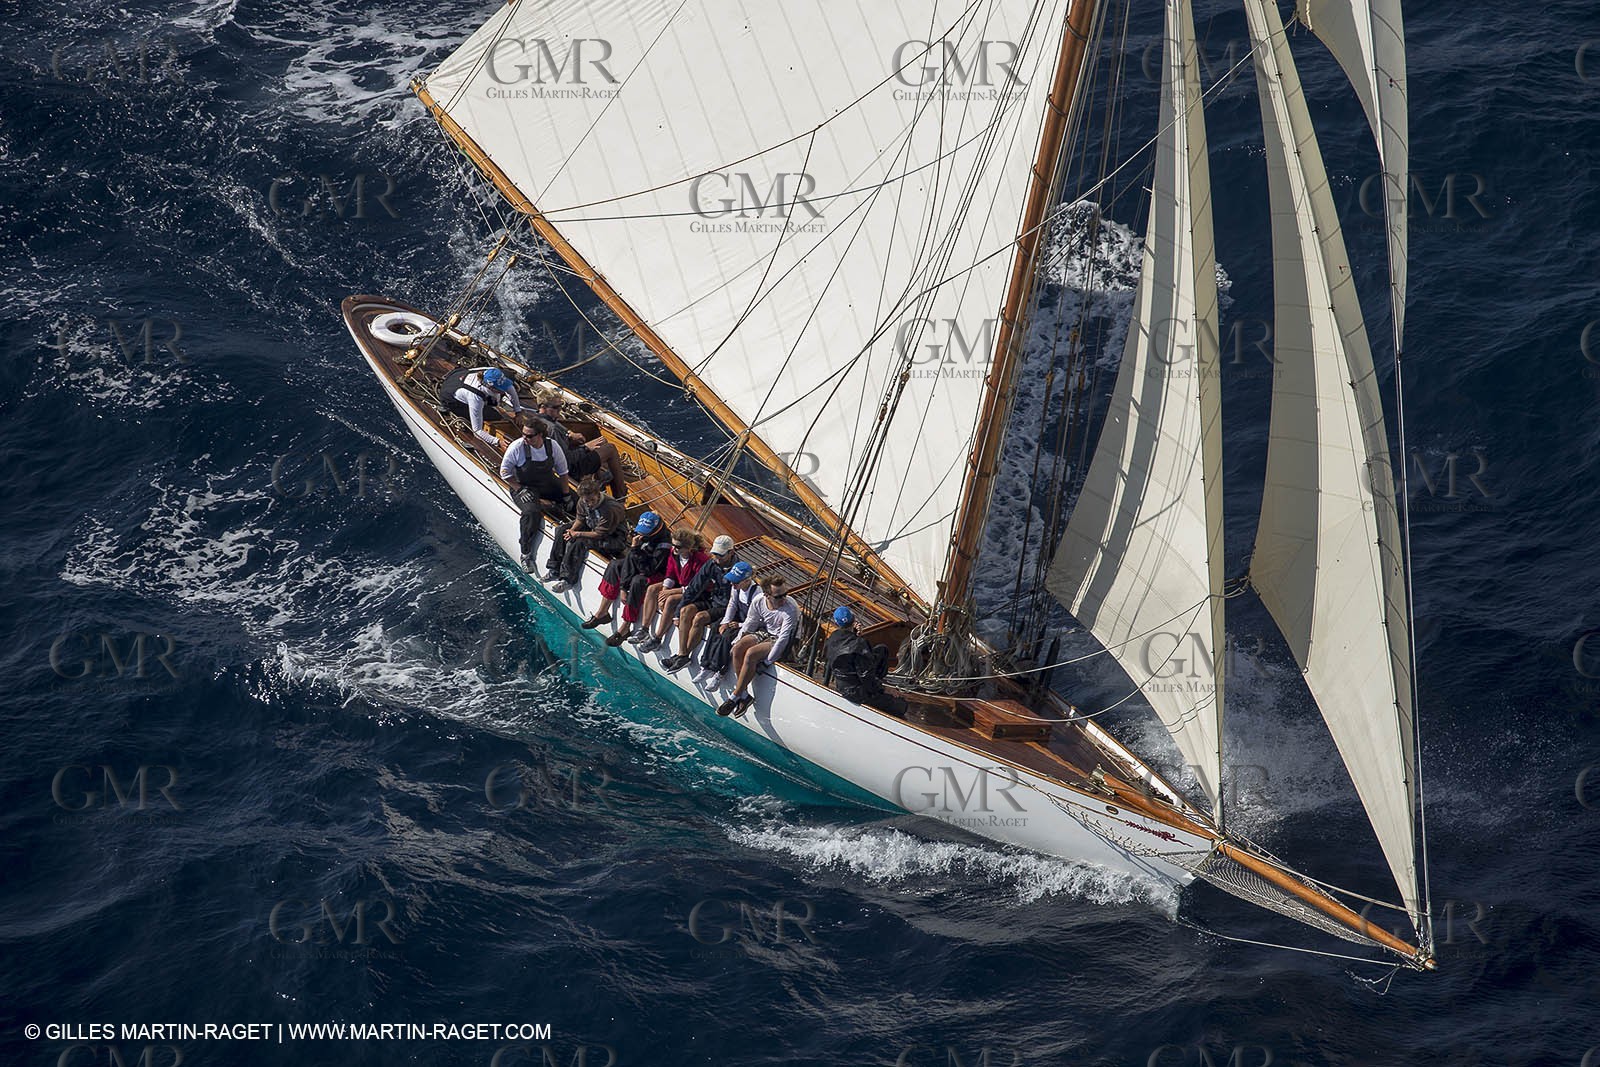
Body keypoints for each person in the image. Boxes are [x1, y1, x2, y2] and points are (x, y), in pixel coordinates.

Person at [582, 510, 671, 646]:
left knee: (638, 581)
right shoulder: (642, 536)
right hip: (643, 561)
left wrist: (636, 549)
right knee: (615, 565)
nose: (640, 535)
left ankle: (626, 626)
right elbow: (630, 559)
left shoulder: (664, 545)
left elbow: (648, 570)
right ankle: (602, 612)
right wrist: (623, 587)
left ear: (655, 530)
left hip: (656, 572)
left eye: (644, 533)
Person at [718, 575, 801, 717]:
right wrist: (737, 641)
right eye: (778, 596)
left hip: (782, 640)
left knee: (751, 654)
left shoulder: (790, 609)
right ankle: (744, 695)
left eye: (785, 595)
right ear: (767, 595)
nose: (783, 599)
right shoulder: (758, 601)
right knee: (738, 649)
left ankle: (734, 696)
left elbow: (783, 639)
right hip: (765, 632)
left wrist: (768, 661)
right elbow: (750, 623)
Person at [499, 414, 570, 570]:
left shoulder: (552, 446)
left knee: (577, 501)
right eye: (523, 434)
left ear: (540, 436)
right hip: (524, 486)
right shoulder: (516, 447)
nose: (525, 438)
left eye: (529, 436)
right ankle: (525, 552)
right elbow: (504, 473)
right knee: (531, 512)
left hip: (546, 482)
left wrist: (566, 495)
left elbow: (563, 472)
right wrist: (519, 489)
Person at [660, 535, 739, 671]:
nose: (716, 558)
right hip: (713, 600)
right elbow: (694, 587)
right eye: (714, 554)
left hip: (727, 607)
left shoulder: (738, 569)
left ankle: (683, 655)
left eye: (720, 555)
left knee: (699, 618)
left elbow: (736, 600)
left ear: (731, 552)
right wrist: (678, 612)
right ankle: (682, 654)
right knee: (685, 611)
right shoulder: (712, 563)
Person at [535, 392, 627, 501]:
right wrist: (586, 447)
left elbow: (556, 425)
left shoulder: (538, 420)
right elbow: (567, 460)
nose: (559, 411)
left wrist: (569, 433)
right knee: (610, 448)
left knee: (602, 442)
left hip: (552, 464)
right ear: (543, 407)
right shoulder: (552, 429)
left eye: (561, 407)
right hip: (570, 469)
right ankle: (621, 496)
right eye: (556, 408)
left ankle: (598, 480)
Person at [545, 476, 628, 591]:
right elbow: (580, 519)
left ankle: (567, 579)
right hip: (592, 525)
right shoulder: (582, 502)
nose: (589, 504)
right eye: (586, 501)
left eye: (592, 500)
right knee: (561, 529)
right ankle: (554, 568)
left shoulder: (609, 509)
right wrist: (571, 531)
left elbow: (599, 534)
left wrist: (577, 534)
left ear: (598, 494)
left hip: (613, 538)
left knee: (580, 542)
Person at [633, 529, 709, 653]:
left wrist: (670, 593)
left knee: (671, 600)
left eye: (678, 546)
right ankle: (644, 629)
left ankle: (657, 638)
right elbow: (670, 572)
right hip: (681, 584)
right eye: (673, 545)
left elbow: (698, 586)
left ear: (688, 547)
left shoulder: (700, 560)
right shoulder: (674, 553)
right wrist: (664, 590)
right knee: (652, 589)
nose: (674, 548)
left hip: (697, 592)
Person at [823, 606, 905, 715]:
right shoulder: (859, 644)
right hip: (857, 692)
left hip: (842, 685)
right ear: (853, 620)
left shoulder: (832, 638)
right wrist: (884, 689)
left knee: (881, 650)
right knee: (901, 705)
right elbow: (866, 675)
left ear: (836, 622)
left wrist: (856, 636)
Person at [692, 560, 754, 687]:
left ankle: (719, 671)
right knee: (716, 627)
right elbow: (732, 604)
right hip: (738, 619)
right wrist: (725, 622)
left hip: (748, 624)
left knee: (727, 637)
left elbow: (754, 618)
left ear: (747, 581)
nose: (732, 584)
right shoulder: (736, 588)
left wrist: (739, 625)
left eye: (736, 582)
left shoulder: (756, 594)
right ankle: (706, 665)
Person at [442, 365, 522, 445]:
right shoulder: (475, 398)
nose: (504, 391)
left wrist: (518, 412)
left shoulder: (492, 371)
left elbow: (510, 389)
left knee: (507, 380)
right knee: (494, 416)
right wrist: (497, 441)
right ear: (491, 388)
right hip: (450, 396)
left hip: (459, 374)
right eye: (501, 389)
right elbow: (477, 431)